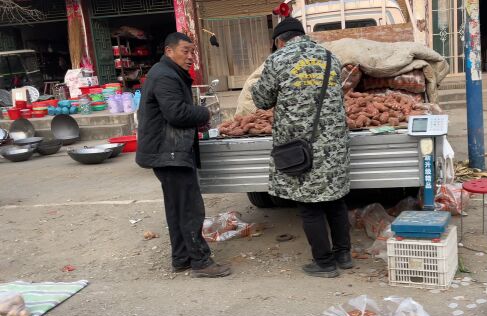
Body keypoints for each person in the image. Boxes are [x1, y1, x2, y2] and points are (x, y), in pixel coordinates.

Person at [251, 18, 352, 278]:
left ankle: (324, 263)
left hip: (301, 146)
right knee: (336, 199)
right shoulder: (330, 57)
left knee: (310, 206)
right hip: (334, 144)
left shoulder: (278, 59)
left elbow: (262, 100)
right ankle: (343, 254)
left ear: (279, 41)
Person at [136, 32, 231, 278]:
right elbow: (176, 113)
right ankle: (200, 262)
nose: (190, 57)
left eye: (192, 52)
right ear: (169, 51)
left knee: (177, 208)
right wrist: (203, 113)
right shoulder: (165, 76)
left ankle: (181, 258)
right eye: (185, 51)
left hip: (168, 151)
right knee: (189, 209)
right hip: (169, 152)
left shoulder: (166, 73)